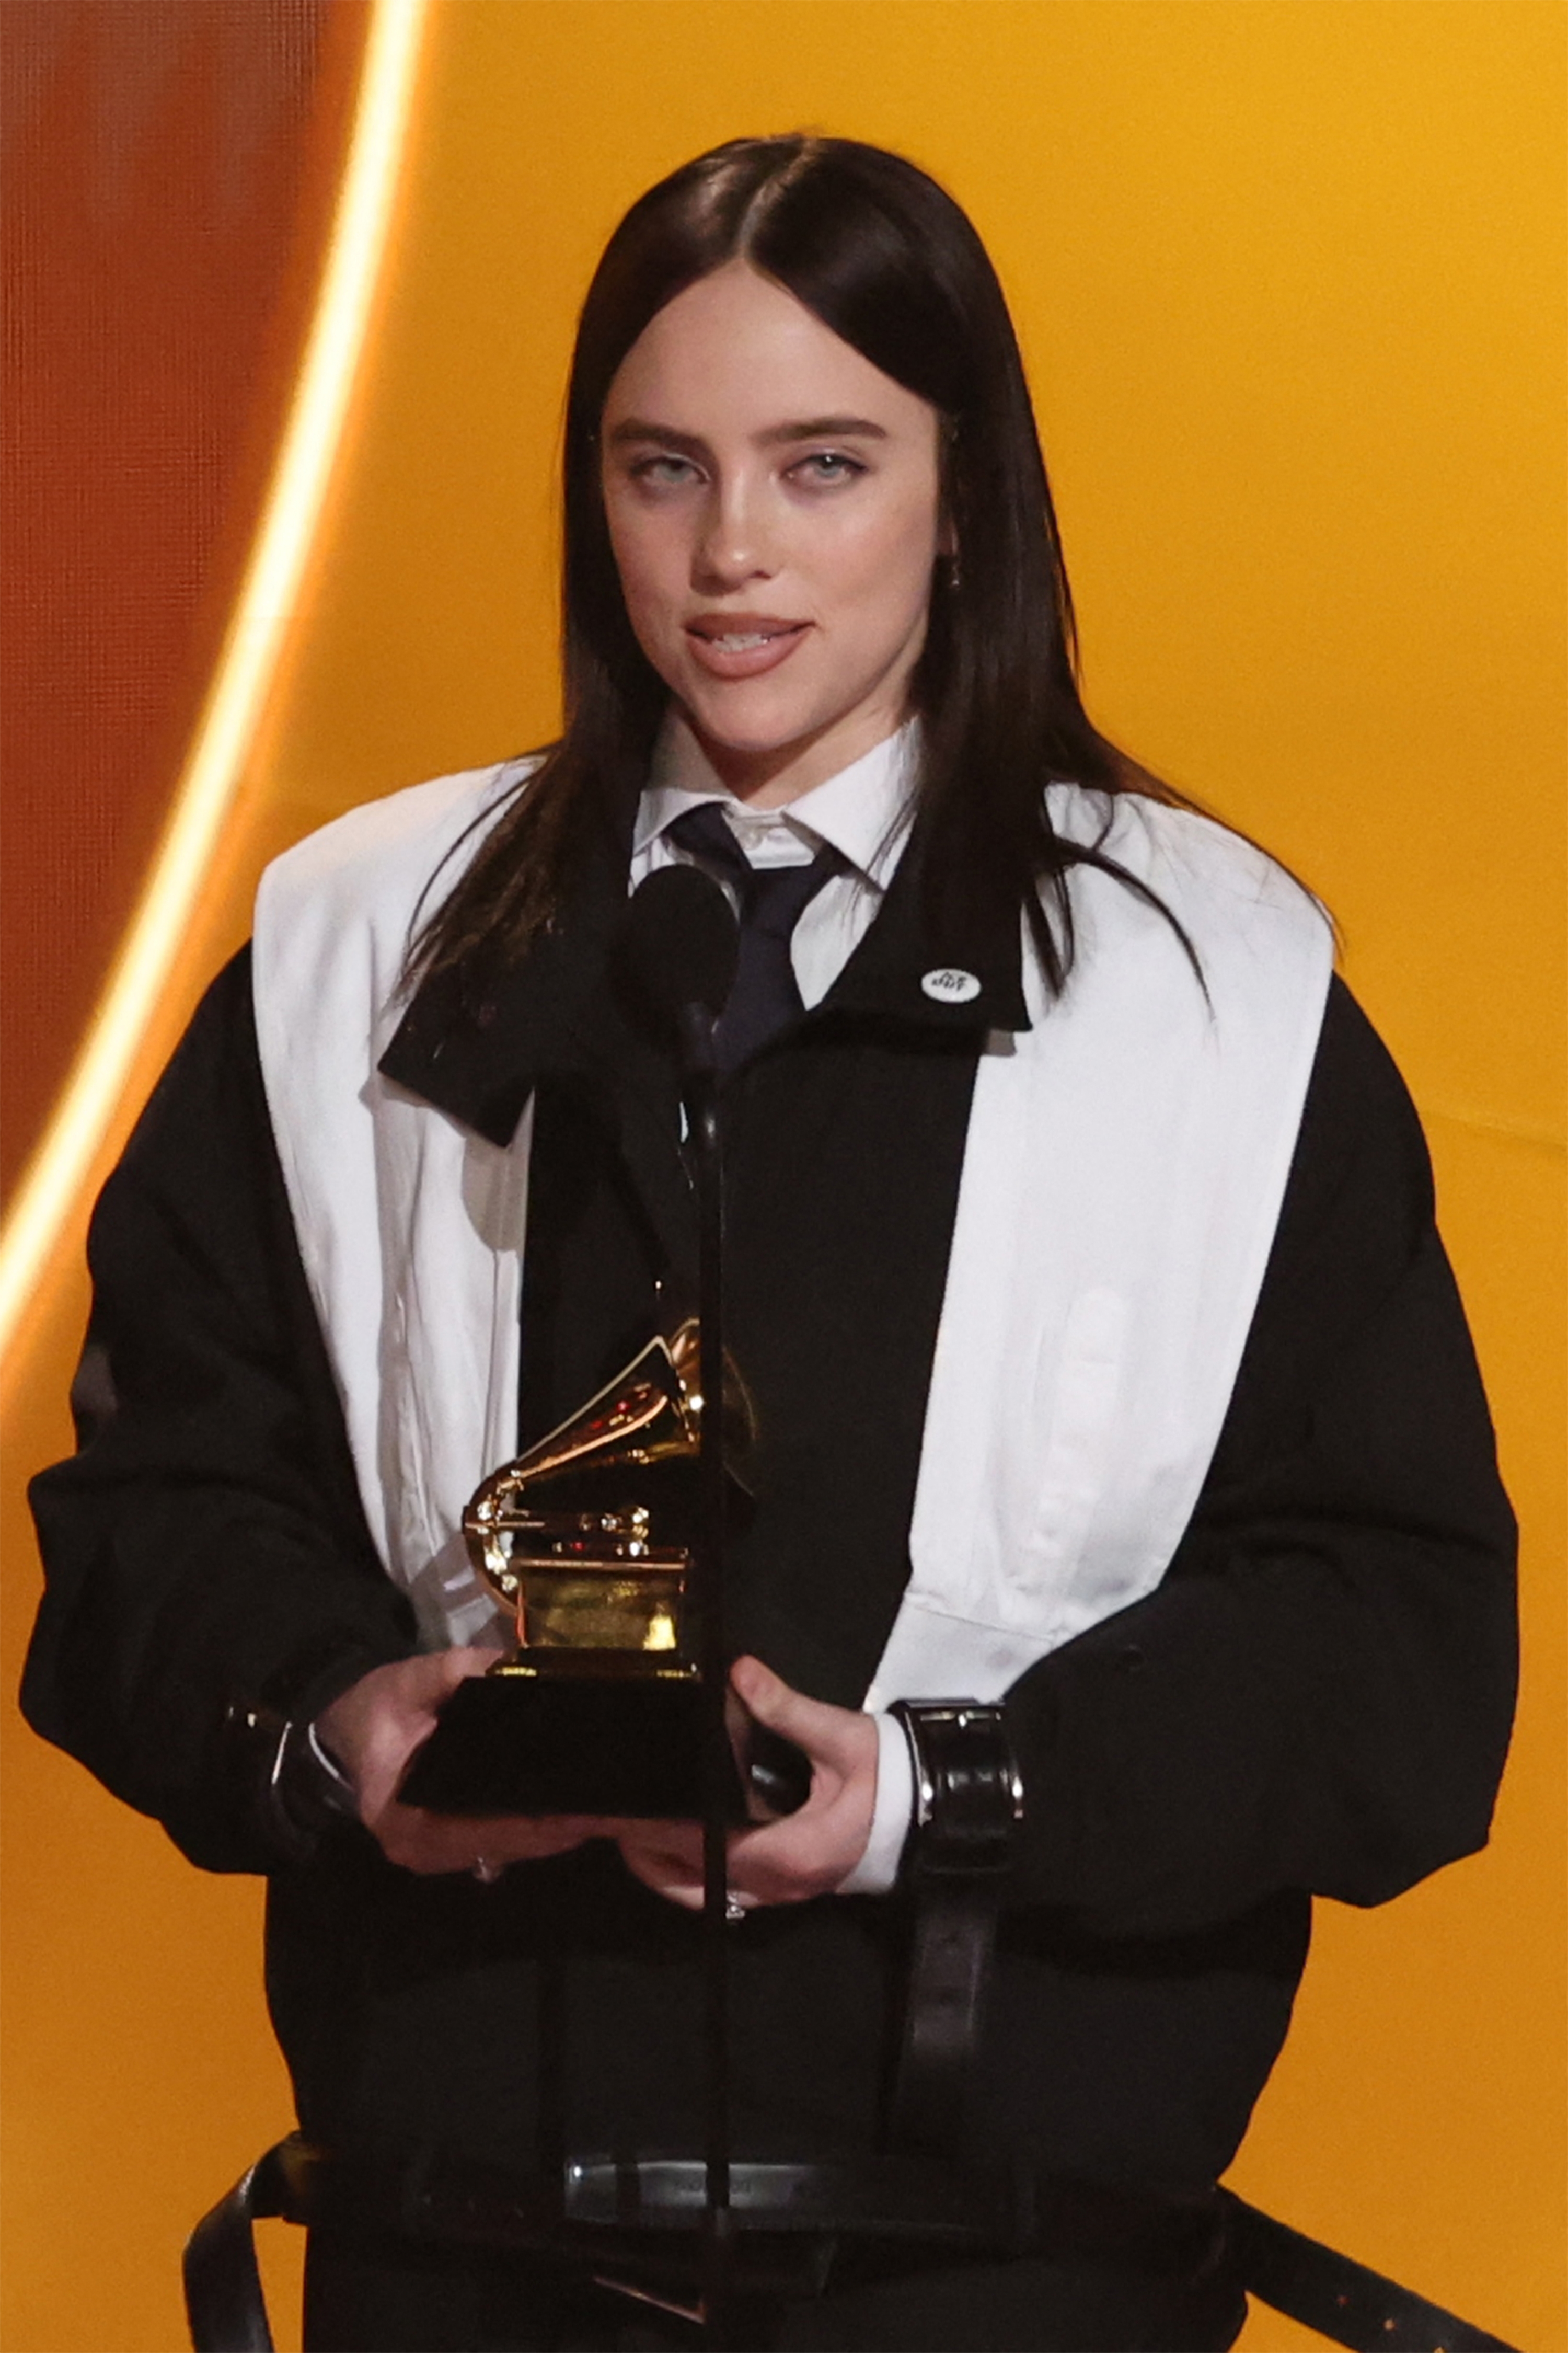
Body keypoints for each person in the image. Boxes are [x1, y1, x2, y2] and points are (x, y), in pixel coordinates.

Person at [22, 136, 1516, 2353]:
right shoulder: (350, 948)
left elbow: (1396, 1653)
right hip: (463, 2250)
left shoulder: (1219, 994)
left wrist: (945, 1794)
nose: (731, 555)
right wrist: (336, 1724)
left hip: (1002, 2271)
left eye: (823, 466)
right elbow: (156, 1499)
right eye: (661, 469)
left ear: (964, 491)